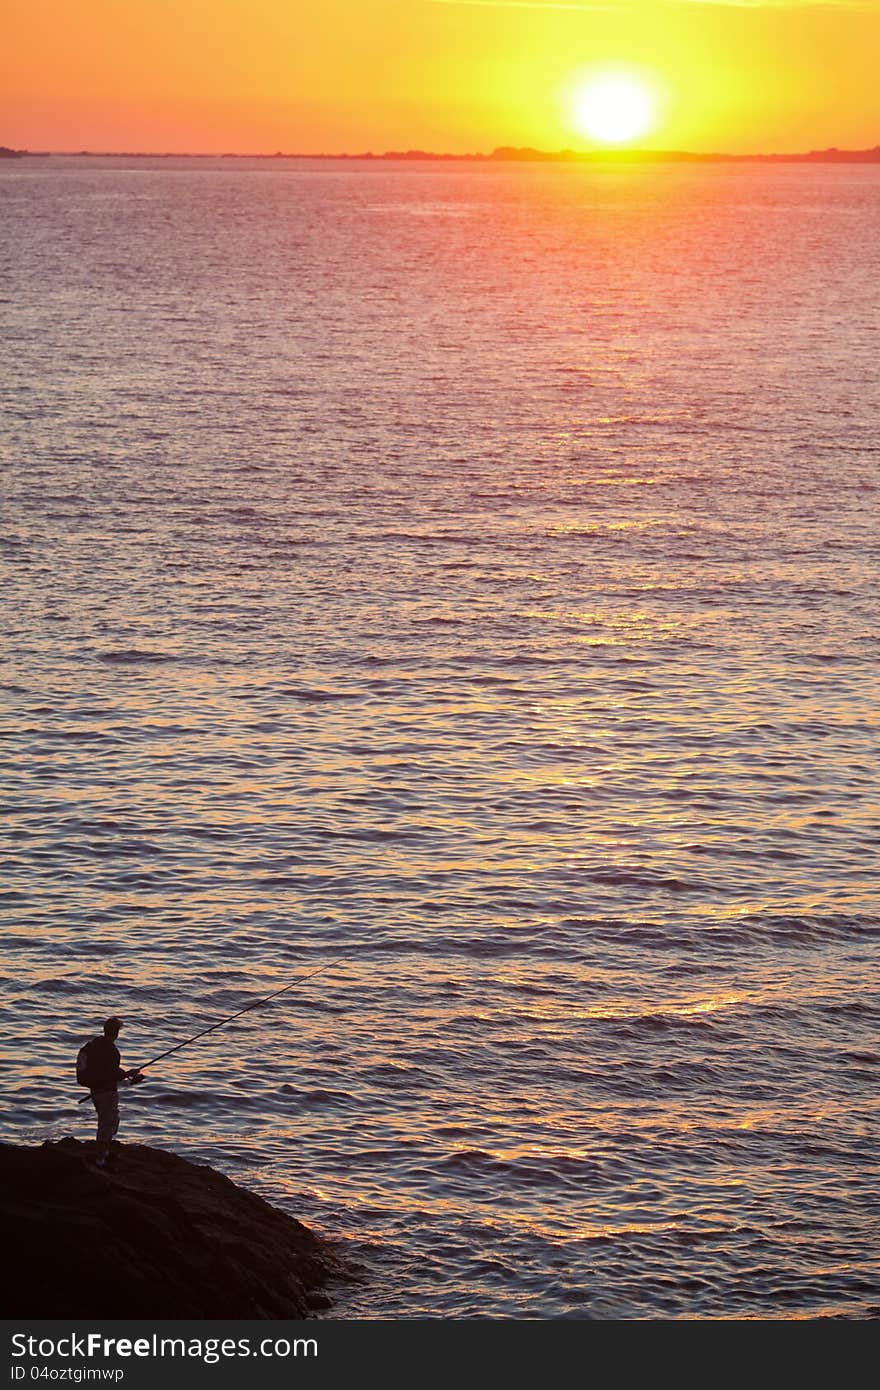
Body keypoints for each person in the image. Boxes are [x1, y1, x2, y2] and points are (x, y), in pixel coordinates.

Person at [81, 1017, 142, 1168]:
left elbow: (109, 1070)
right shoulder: (112, 1051)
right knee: (107, 1124)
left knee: (108, 1121)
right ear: (117, 1033)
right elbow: (113, 1074)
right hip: (106, 1092)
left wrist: (127, 1074)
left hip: (95, 1090)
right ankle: (101, 1158)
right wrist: (129, 1073)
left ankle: (104, 1152)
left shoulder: (94, 1045)